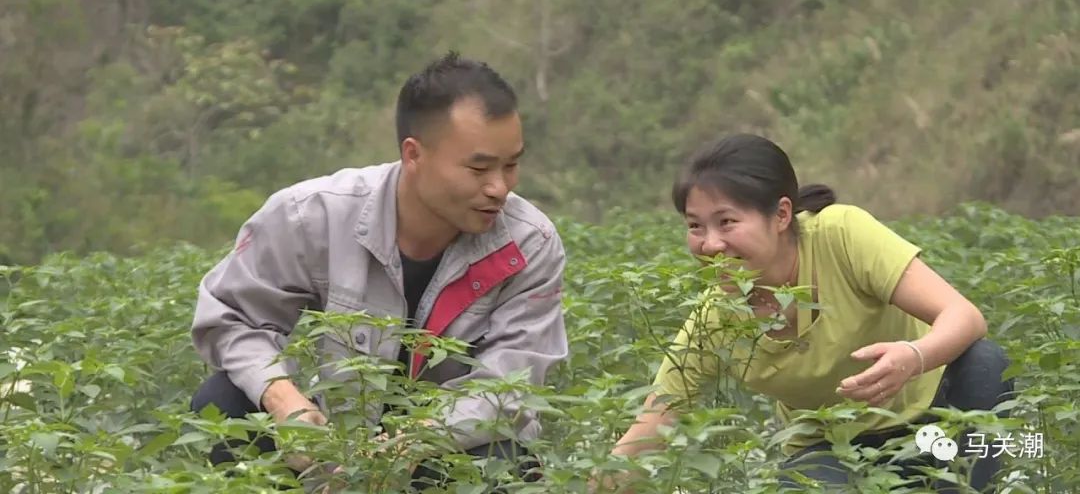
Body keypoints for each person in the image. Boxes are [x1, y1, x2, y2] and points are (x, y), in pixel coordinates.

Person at [189, 52, 568, 489]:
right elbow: (231, 317)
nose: (499, 187)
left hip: (443, 451)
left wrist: (417, 440)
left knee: (505, 459)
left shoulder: (527, 243)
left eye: (512, 164)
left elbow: (509, 386)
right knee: (223, 403)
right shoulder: (311, 215)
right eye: (479, 168)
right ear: (413, 154)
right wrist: (284, 399)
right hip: (329, 446)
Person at [605, 134, 1014, 492]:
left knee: (984, 362)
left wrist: (913, 357)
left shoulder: (840, 236)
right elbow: (654, 423)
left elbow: (964, 316)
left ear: (782, 214)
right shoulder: (716, 318)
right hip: (829, 450)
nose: (711, 245)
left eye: (727, 222)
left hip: (934, 417)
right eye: (695, 227)